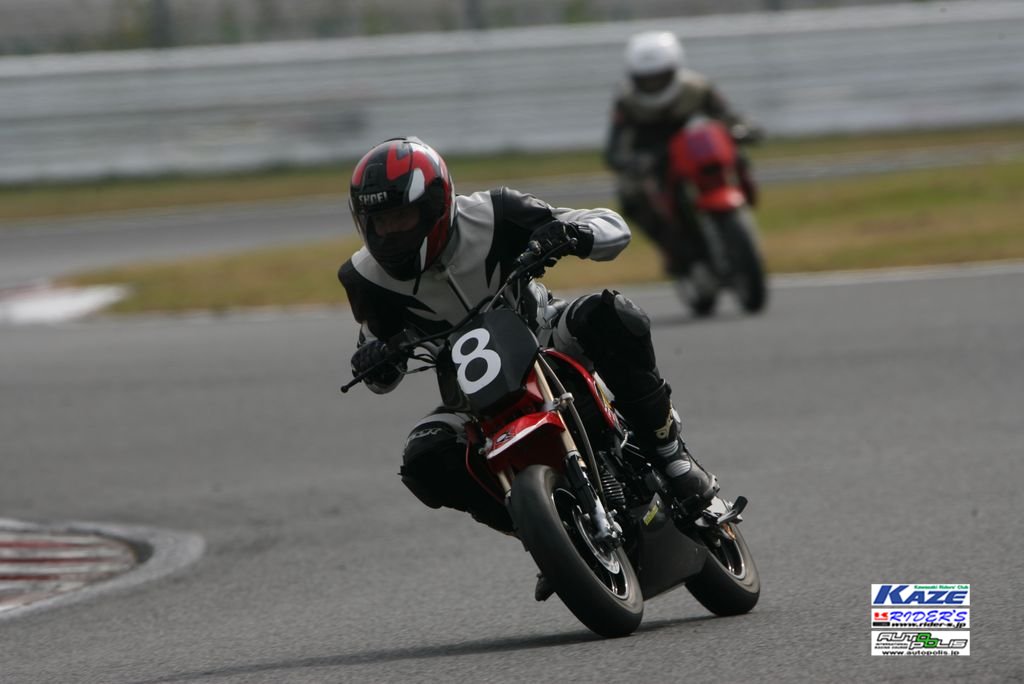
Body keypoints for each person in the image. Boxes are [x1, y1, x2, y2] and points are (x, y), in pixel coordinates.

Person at [339, 137, 718, 588]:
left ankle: (671, 455)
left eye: (401, 217)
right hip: (470, 396)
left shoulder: (494, 213)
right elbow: (377, 368)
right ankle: (544, 533)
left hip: (546, 337)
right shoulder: (364, 277)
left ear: (437, 205)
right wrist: (376, 360)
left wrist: (573, 234)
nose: (389, 233)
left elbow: (612, 226)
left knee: (611, 314)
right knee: (423, 458)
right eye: (379, 222)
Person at [605, 30, 760, 276]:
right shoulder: (626, 101)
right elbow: (615, 146)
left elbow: (727, 115)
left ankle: (745, 195)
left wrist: (744, 129)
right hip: (655, 160)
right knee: (630, 194)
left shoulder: (697, 87)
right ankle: (669, 247)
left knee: (738, 155)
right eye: (647, 79)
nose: (654, 84)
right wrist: (627, 161)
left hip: (696, 151)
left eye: (660, 77)